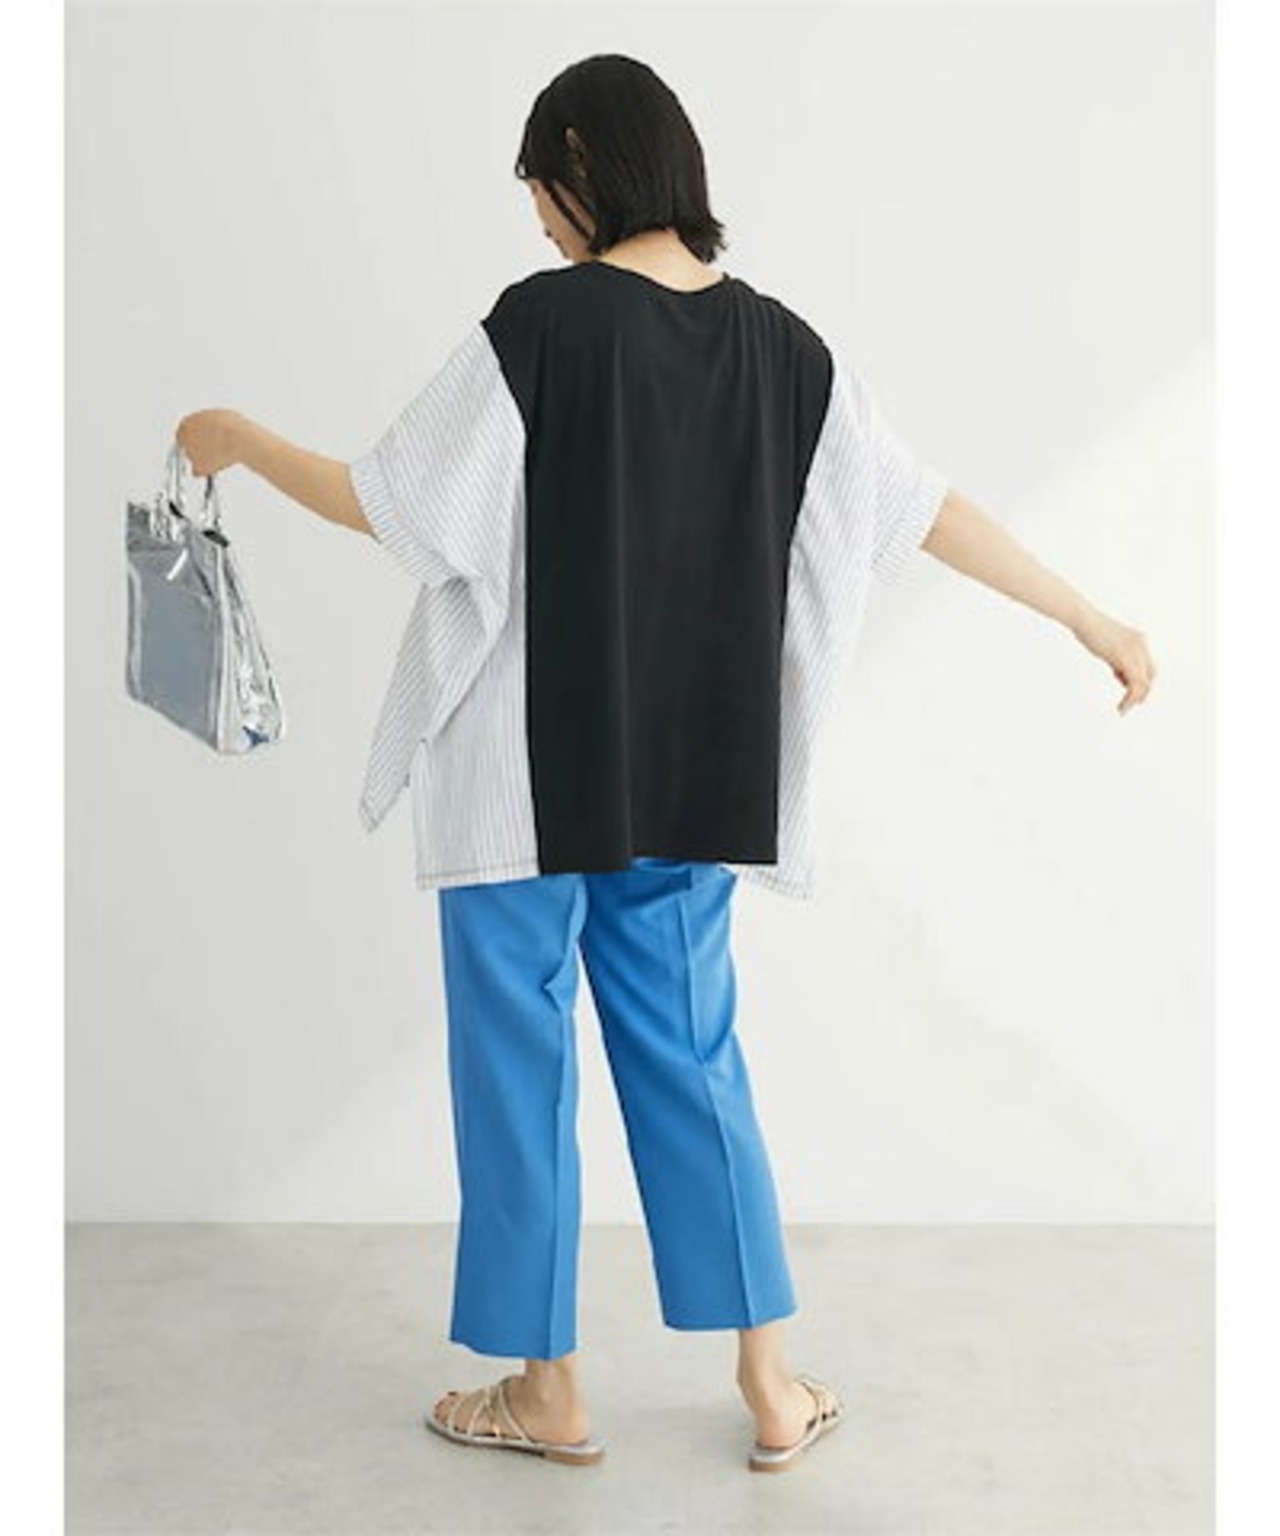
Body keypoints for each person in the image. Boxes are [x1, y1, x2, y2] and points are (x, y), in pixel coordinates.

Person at [175, 53, 1156, 1472]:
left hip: (521, 791)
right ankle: (771, 1383)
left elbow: (392, 506)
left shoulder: (542, 326)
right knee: (696, 1064)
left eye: (541, 192)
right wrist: (1087, 616)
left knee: (517, 1078)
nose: (540, 225)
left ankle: (548, 1391)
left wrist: (240, 441)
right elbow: (924, 510)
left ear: (584, 161)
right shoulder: (787, 351)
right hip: (693, 789)